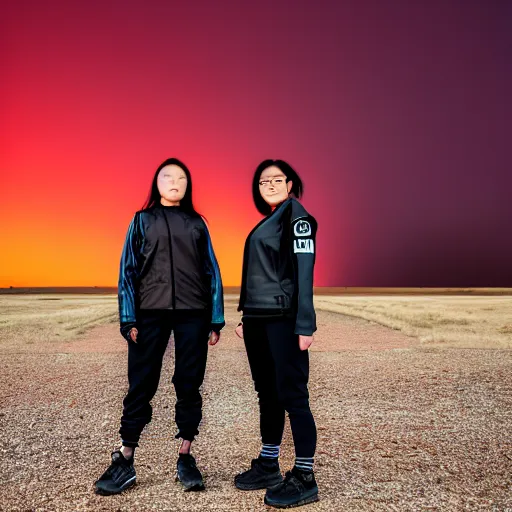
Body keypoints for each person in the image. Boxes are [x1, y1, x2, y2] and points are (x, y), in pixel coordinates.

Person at [94, 158, 224, 495]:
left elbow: (212, 270)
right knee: (141, 382)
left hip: (193, 313)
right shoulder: (141, 220)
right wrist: (128, 317)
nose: (174, 181)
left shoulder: (197, 223)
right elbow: (127, 270)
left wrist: (215, 317)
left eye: (181, 177)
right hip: (149, 312)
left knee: (189, 381)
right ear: (156, 183)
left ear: (188, 185)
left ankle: (186, 456)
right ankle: (125, 457)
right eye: (167, 176)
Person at [234, 159, 319, 508]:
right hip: (258, 318)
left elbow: (304, 270)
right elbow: (261, 272)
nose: (268, 184)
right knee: (267, 393)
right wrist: (246, 315)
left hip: (283, 319)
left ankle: (304, 476)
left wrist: (305, 324)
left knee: (293, 395)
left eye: (276, 179)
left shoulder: (297, 217)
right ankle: (269, 463)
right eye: (262, 181)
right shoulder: (270, 219)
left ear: (291, 183)